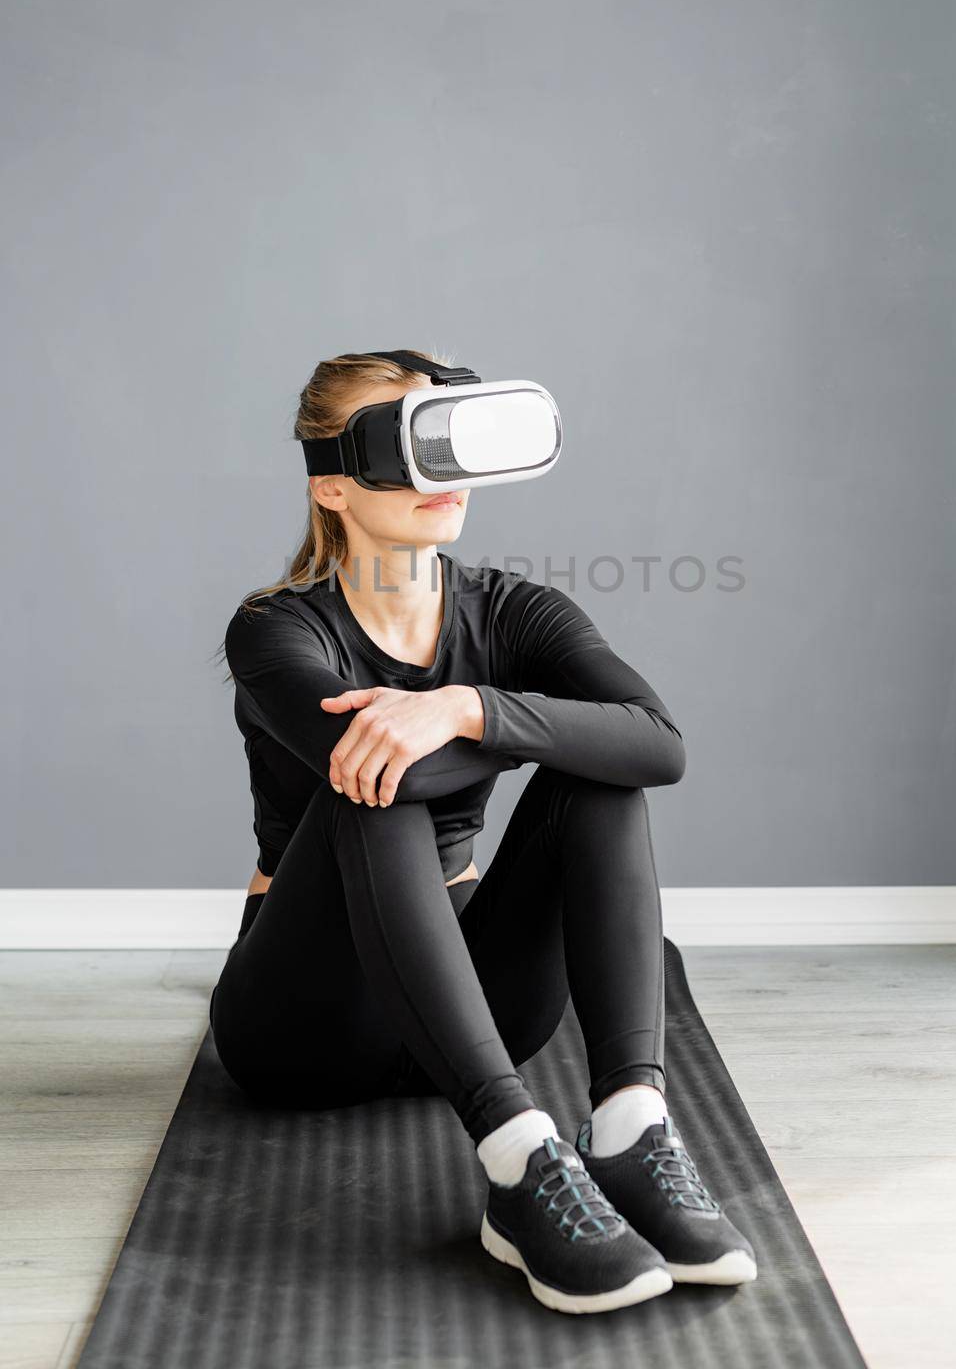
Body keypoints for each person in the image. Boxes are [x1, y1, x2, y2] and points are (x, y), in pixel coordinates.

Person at [208, 346, 757, 1315]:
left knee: (602, 776)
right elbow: (393, 768)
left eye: (448, 443)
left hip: (477, 996)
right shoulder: (275, 630)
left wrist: (471, 706)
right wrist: (516, 724)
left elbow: (657, 743)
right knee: (369, 780)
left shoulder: (512, 611)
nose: (439, 477)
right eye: (403, 448)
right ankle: (516, 1154)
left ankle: (629, 1125)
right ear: (332, 483)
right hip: (303, 1022)